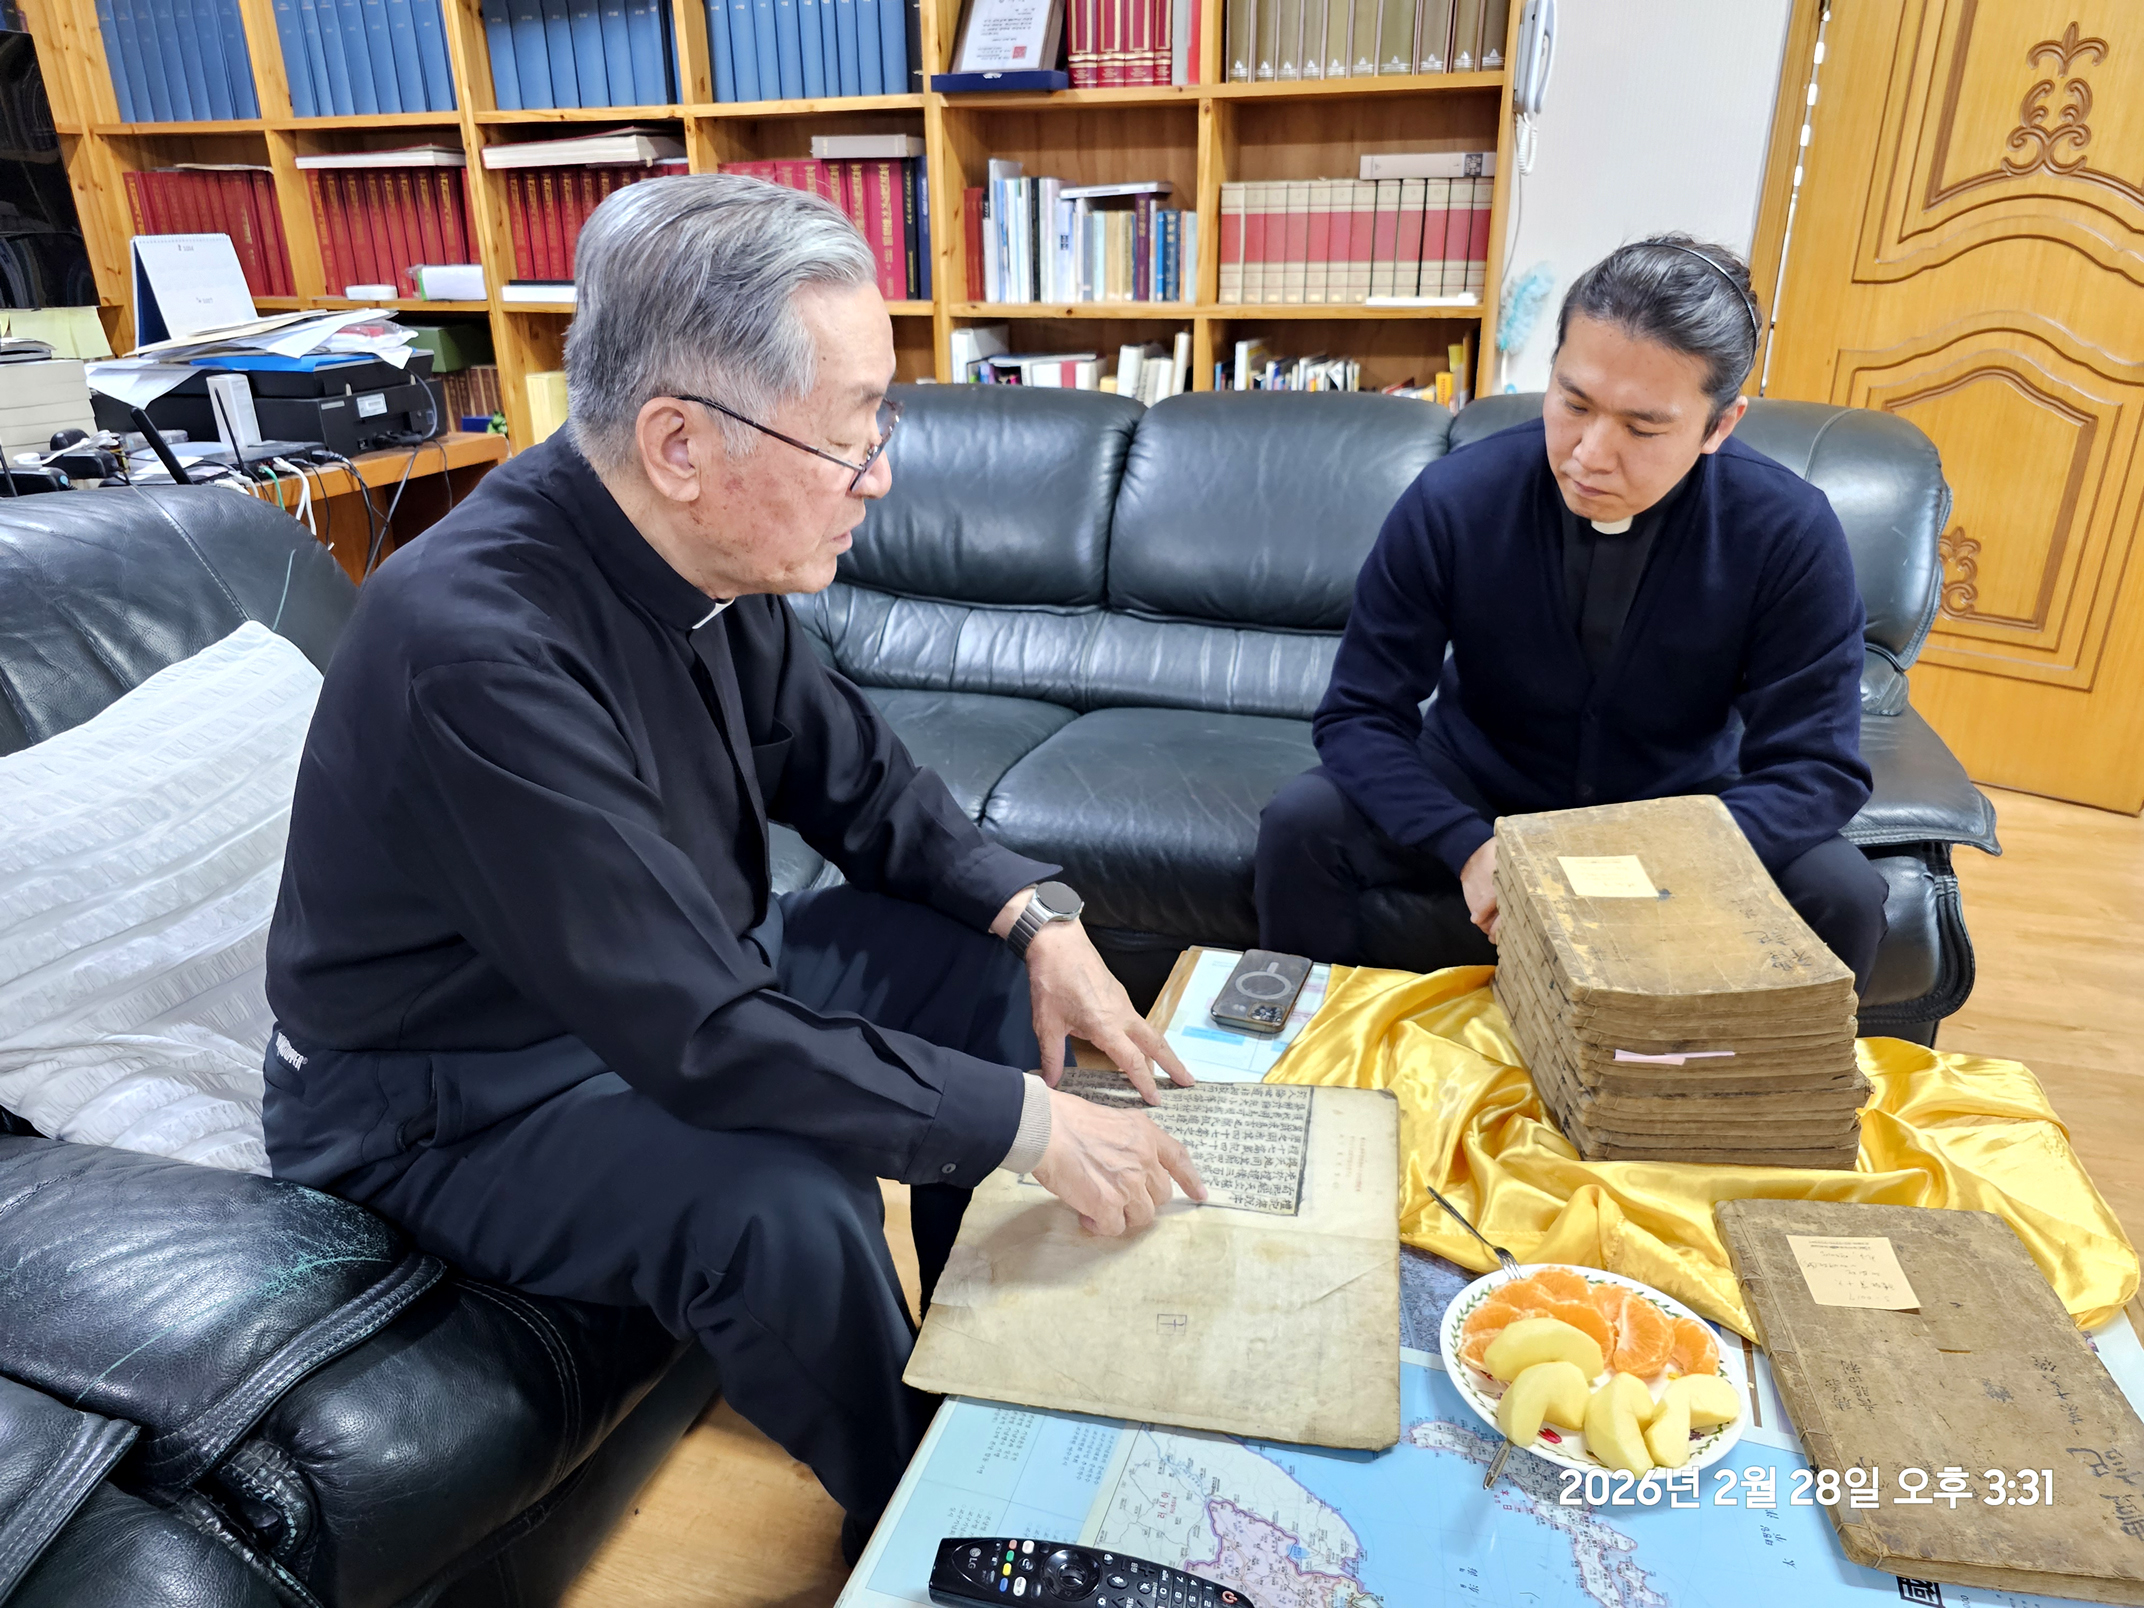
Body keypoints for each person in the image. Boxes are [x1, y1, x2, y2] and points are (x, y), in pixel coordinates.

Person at [259, 174, 1205, 1554]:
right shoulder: (475, 651)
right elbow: (697, 1034)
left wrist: (1039, 915)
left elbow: (863, 781)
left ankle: (981, 1364)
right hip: (455, 1095)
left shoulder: (696, 557)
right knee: (787, 1208)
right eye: (850, 435)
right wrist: (1030, 1126)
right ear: (681, 440)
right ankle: (928, 1520)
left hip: (654, 990)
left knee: (983, 982)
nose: (880, 472)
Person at [1255, 236, 1888, 990]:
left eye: (1643, 428)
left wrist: (1665, 862)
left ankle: (1750, 1103)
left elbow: (1816, 768)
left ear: (1720, 425)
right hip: (1479, 786)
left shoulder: (1787, 531)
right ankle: (1310, 1066)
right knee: (1301, 823)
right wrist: (1467, 845)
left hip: (1679, 812)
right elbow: (1358, 715)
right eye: (1573, 402)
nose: (1589, 454)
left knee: (1842, 895)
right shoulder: (1456, 499)